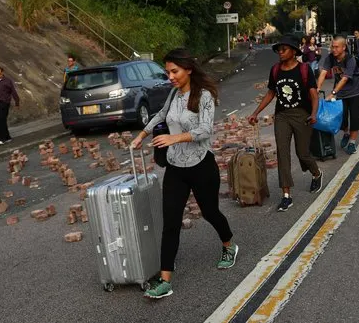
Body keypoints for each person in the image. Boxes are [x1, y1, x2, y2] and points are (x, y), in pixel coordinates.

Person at [131, 48, 237, 299]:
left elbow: (204, 130)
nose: (170, 77)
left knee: (211, 212)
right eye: (168, 72)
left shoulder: (204, 96)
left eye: (174, 71)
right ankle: (165, 279)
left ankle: (229, 245)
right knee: (170, 223)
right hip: (176, 168)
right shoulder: (173, 95)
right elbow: (160, 115)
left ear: (188, 69)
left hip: (201, 165)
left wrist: (173, 137)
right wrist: (141, 135)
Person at [248, 35, 323, 212]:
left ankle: (317, 173)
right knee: (282, 153)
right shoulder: (275, 70)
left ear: (294, 51)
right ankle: (286, 196)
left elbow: (313, 94)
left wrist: (313, 113)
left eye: (284, 49)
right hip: (282, 116)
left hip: (302, 115)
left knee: (302, 153)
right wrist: (255, 113)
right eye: (279, 50)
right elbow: (270, 93)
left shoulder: (304, 70)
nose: (280, 53)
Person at [317, 36, 359, 155]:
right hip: (342, 93)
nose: (333, 49)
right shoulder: (330, 58)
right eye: (332, 47)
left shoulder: (350, 60)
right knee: (342, 119)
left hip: (356, 92)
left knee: (355, 117)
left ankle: (352, 142)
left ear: (344, 47)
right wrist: (317, 88)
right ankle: (346, 133)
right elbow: (323, 73)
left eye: (336, 47)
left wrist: (333, 93)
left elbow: (344, 79)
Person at [0, 66, 20, 145]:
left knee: (2, 120)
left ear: (2, 73)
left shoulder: (7, 81)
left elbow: (13, 92)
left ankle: (2, 138)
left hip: (4, 103)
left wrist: (17, 102)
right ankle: (7, 137)